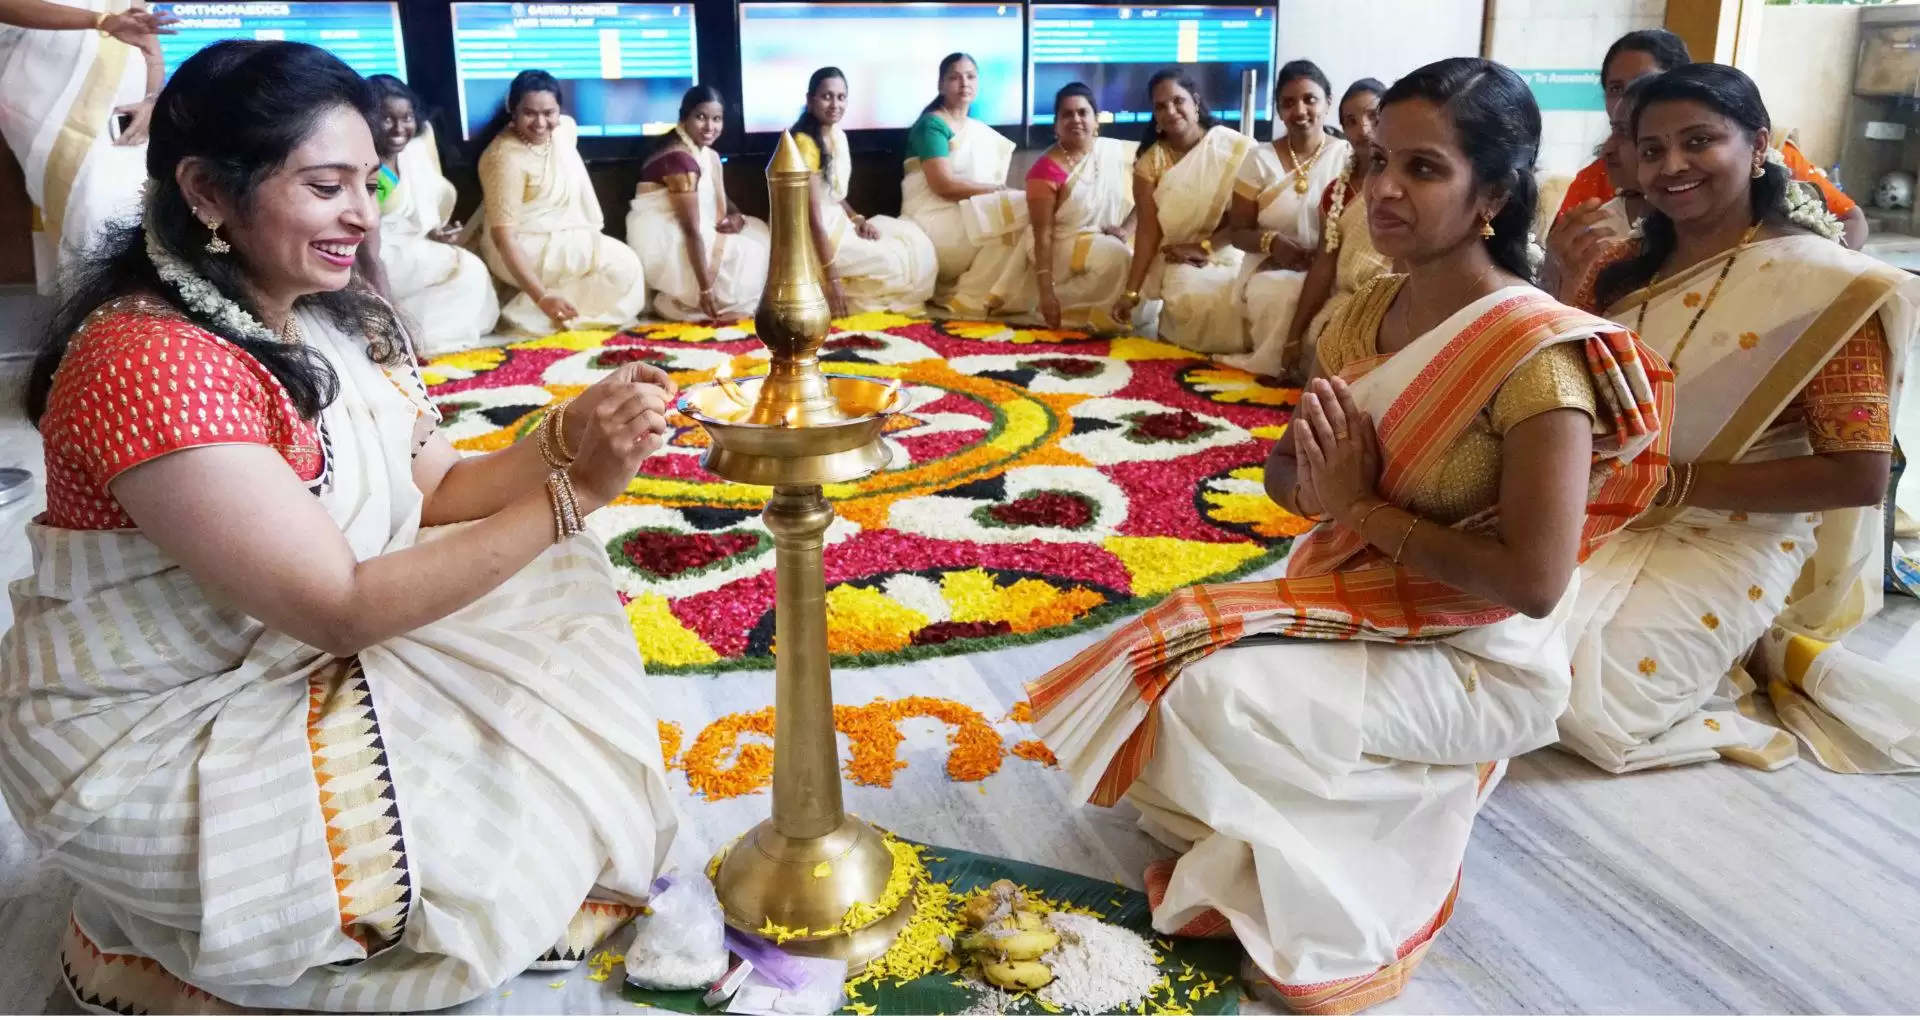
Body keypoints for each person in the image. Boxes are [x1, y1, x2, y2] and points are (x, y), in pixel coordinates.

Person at [2, 41, 682, 1012]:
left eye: (371, 181)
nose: (365, 214)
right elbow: (341, 609)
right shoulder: (149, 359)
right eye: (327, 185)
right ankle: (176, 933)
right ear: (205, 190)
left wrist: (567, 435)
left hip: (290, 646)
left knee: (550, 593)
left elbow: (436, 481)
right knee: (455, 865)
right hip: (157, 734)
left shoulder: (333, 310)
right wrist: (574, 492)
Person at [1028, 58, 1672, 1012]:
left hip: (1478, 654)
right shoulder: (1363, 317)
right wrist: (1321, 488)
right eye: (1377, 164)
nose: (1384, 191)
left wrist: (1362, 508)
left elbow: (1531, 585)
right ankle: (1342, 804)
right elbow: (1291, 476)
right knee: (1154, 687)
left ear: (1492, 193)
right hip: (1353, 601)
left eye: (1423, 169)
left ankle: (1372, 849)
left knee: (1219, 702)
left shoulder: (1540, 360)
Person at [1557, 63, 1919, 775]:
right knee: (1493, 651)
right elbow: (1569, 395)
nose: (1672, 166)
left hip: (1737, 535)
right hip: (1603, 509)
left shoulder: (1827, 288)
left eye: (1699, 141)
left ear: (1758, 147)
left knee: (1591, 711)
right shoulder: (1618, 270)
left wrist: (1678, 486)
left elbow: (1857, 474)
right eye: (1652, 149)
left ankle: (1746, 650)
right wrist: (1565, 289)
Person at [1550, 29, 1867, 256]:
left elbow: (1850, 219)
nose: (1672, 166)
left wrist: (1820, 270)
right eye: (1616, 88)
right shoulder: (1598, 176)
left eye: (1698, 141)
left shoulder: (1772, 156)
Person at [0, 0, 172, 293]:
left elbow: (147, 40)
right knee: (91, 210)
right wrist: (101, 20)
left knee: (134, 214)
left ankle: (131, 319)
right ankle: (90, 317)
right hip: (48, 102)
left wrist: (152, 100)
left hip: (126, 118)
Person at [944, 82, 1137, 331]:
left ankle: (1107, 311)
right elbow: (1042, 235)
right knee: (1116, 257)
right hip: (1060, 245)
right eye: (1067, 114)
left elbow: (1153, 189)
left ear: (1096, 120)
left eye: (1082, 112)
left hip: (1103, 238)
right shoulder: (1045, 170)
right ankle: (1060, 306)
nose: (1076, 119)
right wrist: (1047, 293)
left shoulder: (1117, 152)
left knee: (1141, 266)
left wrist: (1127, 228)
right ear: (1056, 125)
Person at [471, 69, 647, 335]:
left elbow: (564, 130)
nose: (540, 123)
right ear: (512, 110)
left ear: (559, 111)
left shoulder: (562, 133)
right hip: (519, 246)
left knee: (626, 268)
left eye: (548, 113)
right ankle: (530, 310)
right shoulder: (503, 158)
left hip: (557, 236)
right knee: (624, 267)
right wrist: (542, 298)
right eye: (530, 113)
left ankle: (529, 305)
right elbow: (504, 238)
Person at [1219, 61, 1351, 377]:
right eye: (1288, 103)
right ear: (1279, 110)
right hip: (1269, 265)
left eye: (1310, 99)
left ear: (1328, 102)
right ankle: (1275, 368)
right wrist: (1272, 241)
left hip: (1333, 267)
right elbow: (1238, 232)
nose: (1300, 110)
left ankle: (1314, 373)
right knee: (1283, 290)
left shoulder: (1347, 156)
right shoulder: (1259, 158)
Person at [1111, 69, 1251, 353]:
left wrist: (1205, 247)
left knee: (1240, 291)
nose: (1170, 111)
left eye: (1178, 101)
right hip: (1176, 254)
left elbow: (1247, 217)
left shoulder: (1233, 148)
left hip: (1230, 247)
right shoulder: (1150, 164)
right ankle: (1181, 362)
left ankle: (1234, 360)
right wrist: (1131, 293)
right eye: (1160, 106)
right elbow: (1148, 232)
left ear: (1195, 102)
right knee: (1188, 291)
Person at [366, 75, 499, 356]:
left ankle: (427, 338)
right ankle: (404, 337)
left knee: (470, 271)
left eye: (407, 118)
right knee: (464, 267)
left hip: (409, 247)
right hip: (370, 256)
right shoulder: (364, 163)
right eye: (387, 119)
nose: (399, 128)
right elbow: (366, 243)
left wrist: (436, 234)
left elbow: (415, 217)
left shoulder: (411, 155)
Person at [1273, 78, 1395, 383]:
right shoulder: (1336, 193)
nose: (1363, 130)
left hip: (1396, 303)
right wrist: (1293, 336)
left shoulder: (1406, 185)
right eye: (1350, 122)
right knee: (1326, 344)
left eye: (1373, 117)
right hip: (1348, 304)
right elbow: (1323, 266)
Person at [791, 66, 937, 316]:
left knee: (909, 248)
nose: (835, 104)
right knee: (894, 265)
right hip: (812, 234)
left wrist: (857, 218)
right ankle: (833, 293)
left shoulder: (837, 135)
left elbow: (833, 195)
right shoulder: (805, 143)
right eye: (826, 96)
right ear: (810, 99)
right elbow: (812, 214)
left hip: (835, 221)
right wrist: (831, 275)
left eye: (841, 97)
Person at [625, 85, 769, 322]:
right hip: (664, 237)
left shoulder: (705, 154)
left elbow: (717, 196)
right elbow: (691, 229)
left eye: (717, 119)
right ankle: (688, 303)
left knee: (758, 230)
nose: (709, 127)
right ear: (684, 117)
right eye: (700, 117)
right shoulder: (680, 159)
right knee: (750, 254)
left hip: (688, 228)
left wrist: (737, 217)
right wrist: (705, 288)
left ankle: (704, 301)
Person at [899, 52, 1022, 302]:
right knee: (1018, 214)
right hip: (933, 217)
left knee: (1024, 213)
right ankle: (972, 294)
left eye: (970, 76)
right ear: (941, 85)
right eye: (954, 77)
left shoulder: (978, 130)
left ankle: (986, 293)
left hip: (966, 210)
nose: (964, 83)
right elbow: (943, 185)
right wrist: (997, 191)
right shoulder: (931, 125)